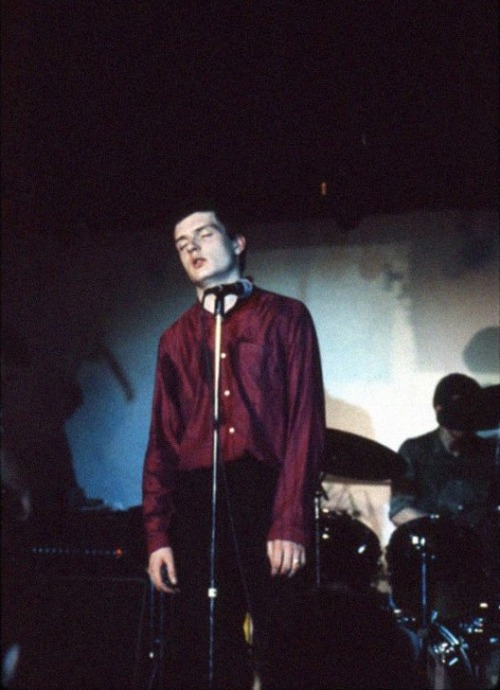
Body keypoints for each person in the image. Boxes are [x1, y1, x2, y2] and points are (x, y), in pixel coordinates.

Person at [142, 204, 325, 689]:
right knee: (206, 644)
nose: (193, 249)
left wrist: (288, 519)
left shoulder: (285, 316)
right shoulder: (175, 338)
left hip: (264, 492)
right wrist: (158, 534)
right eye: (183, 245)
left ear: (237, 242)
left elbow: (305, 421)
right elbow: (162, 440)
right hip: (197, 498)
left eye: (203, 235)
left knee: (281, 640)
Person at [388, 373, 499, 625]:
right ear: (439, 410)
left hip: (481, 559)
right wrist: (444, 533)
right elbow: (399, 510)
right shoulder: (414, 450)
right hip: (435, 557)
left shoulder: (489, 451)